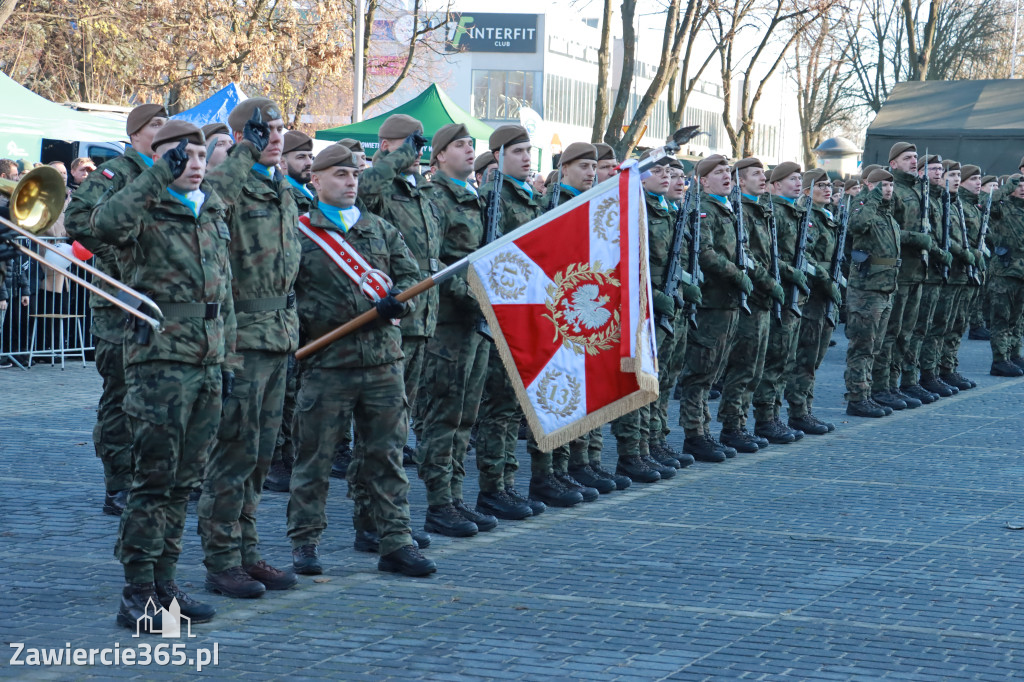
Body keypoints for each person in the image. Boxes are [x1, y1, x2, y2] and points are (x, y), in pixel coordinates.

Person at [87, 119, 238, 631]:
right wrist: (156, 174)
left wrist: (229, 359)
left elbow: (225, 296)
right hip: (160, 365)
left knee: (184, 483)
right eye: (183, 156)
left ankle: (165, 584)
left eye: (199, 156)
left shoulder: (213, 210)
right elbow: (102, 227)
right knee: (152, 481)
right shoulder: (143, 206)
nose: (195, 165)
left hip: (208, 361)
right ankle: (137, 592)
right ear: (160, 158)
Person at [286, 144, 436, 577]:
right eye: (339, 175)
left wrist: (399, 304)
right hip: (326, 361)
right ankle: (305, 542)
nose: (350, 181)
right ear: (316, 180)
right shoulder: (300, 233)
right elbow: (285, 289)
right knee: (314, 458)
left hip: (383, 362)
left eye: (354, 175)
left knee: (385, 455)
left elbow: (411, 277)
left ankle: (394, 540)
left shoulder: (380, 229)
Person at [198, 97, 301, 599]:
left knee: (261, 455)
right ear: (243, 138)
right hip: (241, 336)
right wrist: (244, 150)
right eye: (264, 130)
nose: (275, 136)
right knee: (232, 453)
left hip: (278, 334)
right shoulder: (230, 182)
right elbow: (212, 195)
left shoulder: (281, 186)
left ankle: (247, 549)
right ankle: (220, 559)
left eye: (280, 128)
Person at [64, 102, 168, 515]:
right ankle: (118, 484)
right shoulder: (115, 173)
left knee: (157, 396)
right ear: (136, 133)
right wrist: (123, 250)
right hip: (118, 303)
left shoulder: (171, 175)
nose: (163, 132)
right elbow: (77, 219)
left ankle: (152, 478)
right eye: (156, 125)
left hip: (159, 301)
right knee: (121, 396)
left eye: (166, 125)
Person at [416, 124, 511, 522]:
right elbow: (433, 263)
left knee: (465, 417)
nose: (469, 150)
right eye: (459, 145)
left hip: (477, 323)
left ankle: (456, 498)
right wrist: (474, 297)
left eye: (471, 145)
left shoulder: (478, 198)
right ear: (438, 156)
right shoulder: (434, 198)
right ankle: (440, 502)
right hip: (451, 324)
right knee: (444, 415)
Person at [545, 142, 629, 492]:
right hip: (558, 312)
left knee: (587, 388)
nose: (591, 173)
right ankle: (550, 471)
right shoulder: (551, 204)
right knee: (559, 394)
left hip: (589, 314)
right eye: (583, 166)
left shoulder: (596, 205)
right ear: (564, 168)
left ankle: (580, 463)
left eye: (594, 167)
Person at [678, 155, 749, 462]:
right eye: (719, 172)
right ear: (703, 181)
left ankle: (704, 431)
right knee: (700, 372)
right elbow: (706, 254)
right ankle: (694, 435)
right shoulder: (704, 208)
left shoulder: (728, 209)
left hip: (727, 302)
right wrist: (737, 274)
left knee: (713, 371)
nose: (726, 176)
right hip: (711, 302)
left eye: (728, 172)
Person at [717, 157, 785, 451]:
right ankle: (732, 427)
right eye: (755, 174)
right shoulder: (739, 211)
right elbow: (747, 257)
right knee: (742, 367)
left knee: (757, 369)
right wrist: (768, 283)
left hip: (763, 298)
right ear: (740, 181)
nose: (762, 178)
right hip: (749, 298)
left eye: (763, 174)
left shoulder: (761, 210)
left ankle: (744, 424)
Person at [752, 161, 810, 444]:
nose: (798, 183)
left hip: (793, 294)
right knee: (775, 360)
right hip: (779, 294)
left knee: (786, 360)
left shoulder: (795, 212)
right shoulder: (773, 212)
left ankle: (774, 416)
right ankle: (765, 419)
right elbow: (772, 256)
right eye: (791, 179)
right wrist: (790, 273)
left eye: (800, 178)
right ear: (775, 186)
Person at [784, 168, 842, 433]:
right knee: (805, 356)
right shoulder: (808, 219)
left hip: (825, 293)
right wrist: (826, 279)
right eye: (821, 185)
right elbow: (804, 257)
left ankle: (806, 408)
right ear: (807, 191)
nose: (828, 189)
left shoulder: (826, 217)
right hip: (813, 294)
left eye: (829, 185)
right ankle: (798, 411)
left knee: (815, 356)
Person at [844, 169, 901, 417]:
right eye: (880, 184)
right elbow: (856, 225)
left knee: (875, 346)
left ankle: (868, 393)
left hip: (885, 288)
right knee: (862, 347)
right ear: (868, 185)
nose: (887, 188)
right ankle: (856, 398)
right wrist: (873, 195)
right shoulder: (862, 205)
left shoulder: (887, 215)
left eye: (889, 184)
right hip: (866, 290)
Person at [885, 143, 935, 406]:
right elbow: (888, 231)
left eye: (915, 157)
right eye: (907, 158)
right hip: (899, 272)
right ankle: (884, 386)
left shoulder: (918, 189)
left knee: (909, 331)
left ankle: (903, 382)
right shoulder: (892, 190)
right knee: (892, 332)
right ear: (893, 164)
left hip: (917, 271)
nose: (914, 161)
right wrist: (918, 239)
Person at [910, 155, 957, 399]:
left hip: (936, 270)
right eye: (933, 169)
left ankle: (931, 373)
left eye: (941, 169)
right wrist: (939, 252)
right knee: (918, 329)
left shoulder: (939, 199)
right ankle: (914, 377)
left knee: (936, 326)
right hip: (922, 271)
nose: (939, 173)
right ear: (920, 172)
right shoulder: (919, 196)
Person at [988, 175, 1024, 376]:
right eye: (1020, 185)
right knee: (1002, 317)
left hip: (1022, 272)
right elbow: (986, 203)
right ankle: (1000, 360)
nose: (1023, 188)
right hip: (1005, 271)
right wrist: (1008, 184)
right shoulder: (1001, 208)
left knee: (1018, 319)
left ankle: (1013, 354)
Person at [281, 130, 315, 213]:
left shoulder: (316, 190)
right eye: (301, 157)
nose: (309, 163)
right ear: (283, 163)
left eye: (310, 157)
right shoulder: (281, 196)